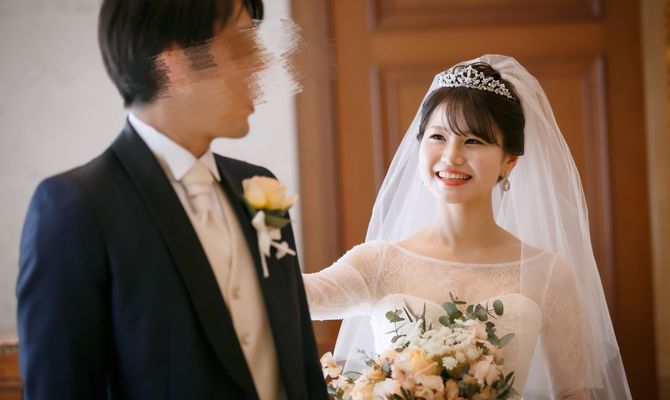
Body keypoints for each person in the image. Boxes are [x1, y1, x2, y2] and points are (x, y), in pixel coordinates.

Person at [16, 0, 327, 399]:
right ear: (173, 63)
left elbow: (302, 369)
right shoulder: (76, 209)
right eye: (240, 47)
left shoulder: (259, 185)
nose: (260, 64)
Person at [303, 55, 631, 399]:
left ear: (509, 160)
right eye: (438, 136)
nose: (451, 156)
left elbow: (574, 394)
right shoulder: (377, 263)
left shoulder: (547, 274)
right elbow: (295, 295)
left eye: (473, 141)